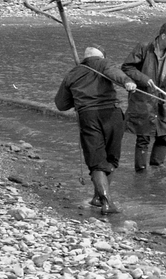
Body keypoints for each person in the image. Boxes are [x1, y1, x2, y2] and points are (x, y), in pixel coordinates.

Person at [54, 46, 137, 214]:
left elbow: (61, 104)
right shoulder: (103, 63)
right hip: (113, 115)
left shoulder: (72, 73)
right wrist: (127, 82)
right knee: (111, 160)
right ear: (101, 56)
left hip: (88, 116)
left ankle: (99, 198)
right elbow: (115, 73)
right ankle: (107, 202)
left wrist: (79, 96)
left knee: (96, 162)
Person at [122, 22, 166, 172]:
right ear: (163, 36)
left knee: (162, 135)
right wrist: (143, 79)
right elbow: (127, 67)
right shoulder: (144, 48)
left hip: (159, 101)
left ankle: (157, 167)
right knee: (143, 137)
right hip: (142, 100)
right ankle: (140, 171)